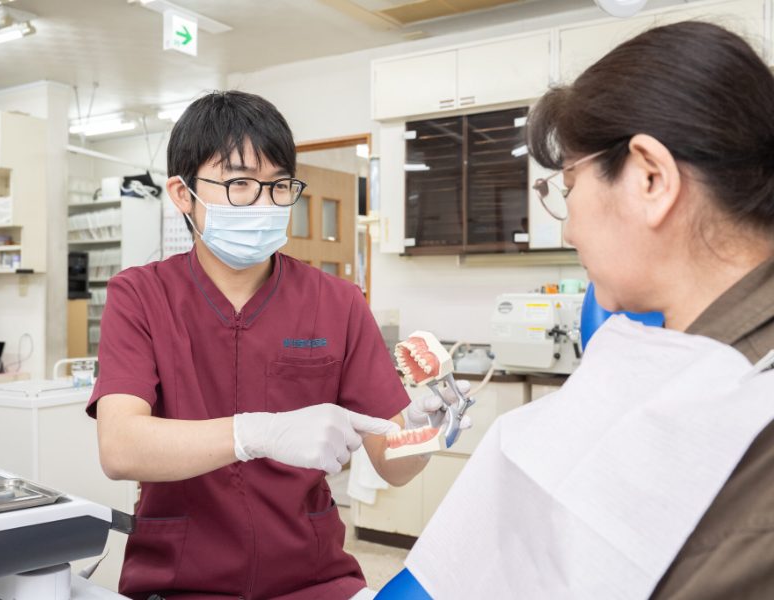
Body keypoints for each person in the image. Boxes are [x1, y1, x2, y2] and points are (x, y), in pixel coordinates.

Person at [384, 20, 774, 599]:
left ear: (650, 178)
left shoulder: (745, 417)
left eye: (567, 186)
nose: (567, 229)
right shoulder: (681, 345)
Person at [87, 91, 463, 600]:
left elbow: (392, 466)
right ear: (182, 193)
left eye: (279, 185)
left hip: (312, 579)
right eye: (240, 183)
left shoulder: (337, 302)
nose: (265, 203)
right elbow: (121, 447)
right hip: (180, 579)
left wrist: (422, 435)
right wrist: (256, 433)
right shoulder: (141, 296)